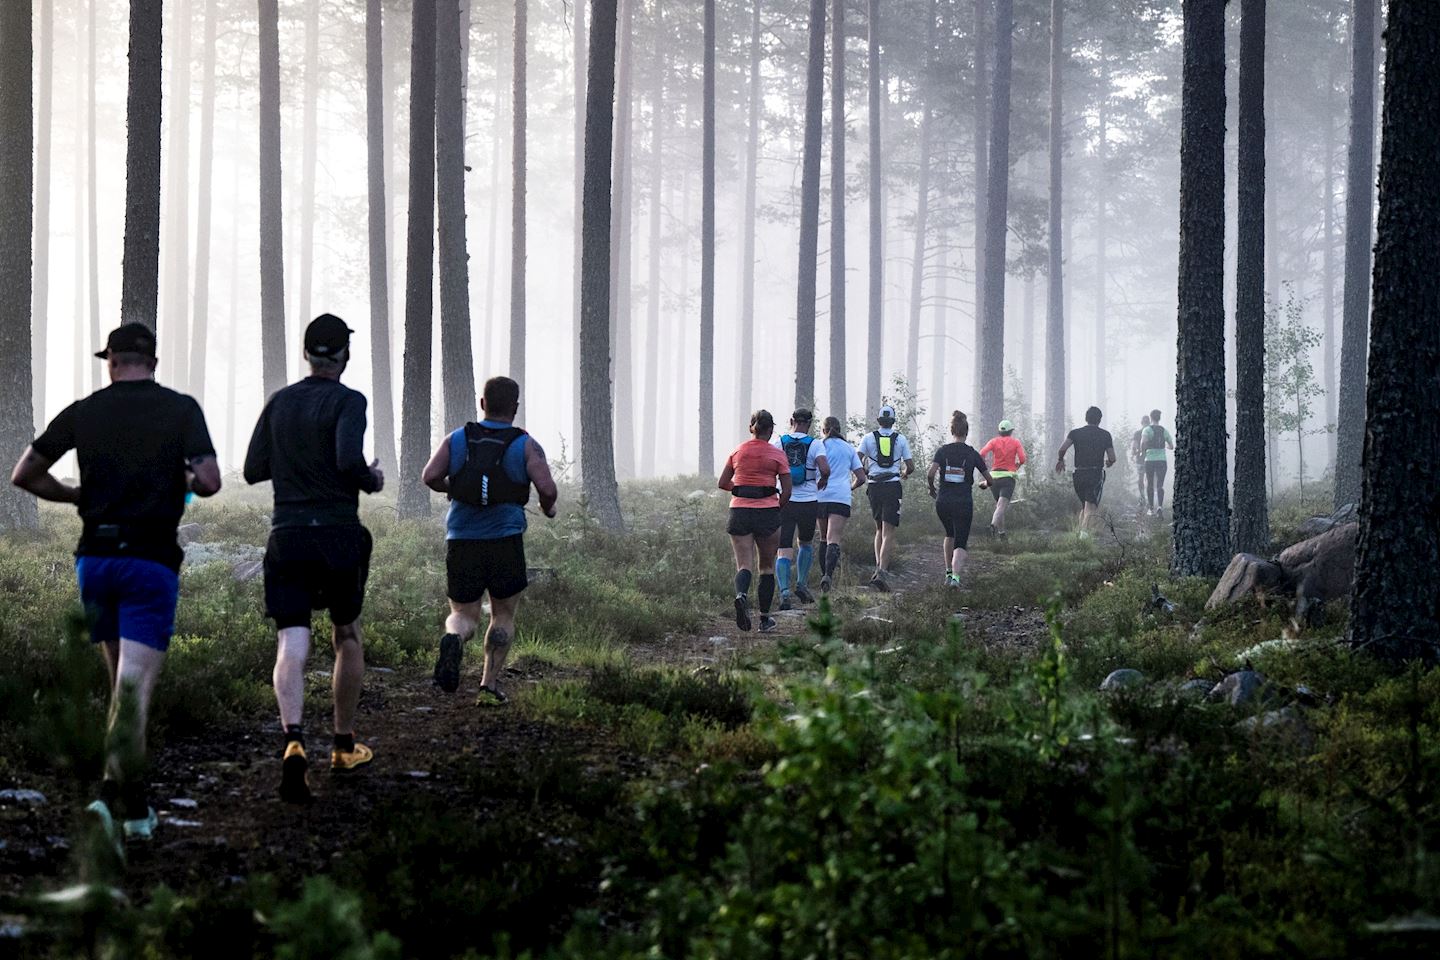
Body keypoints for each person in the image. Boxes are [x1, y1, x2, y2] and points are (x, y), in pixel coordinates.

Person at [10, 323, 221, 847]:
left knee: (122, 691)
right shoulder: (180, 409)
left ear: (112, 362)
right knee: (133, 692)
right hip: (149, 562)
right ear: (152, 362)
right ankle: (107, 796)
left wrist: (76, 496)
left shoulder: (85, 411)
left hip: (96, 561)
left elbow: (25, 474)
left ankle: (137, 810)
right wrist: (185, 481)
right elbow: (211, 481)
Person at [244, 314, 385, 804]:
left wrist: (293, 461)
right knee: (346, 634)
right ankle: (343, 745)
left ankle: (293, 740)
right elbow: (348, 459)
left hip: (288, 535)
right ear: (344, 356)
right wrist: (370, 478)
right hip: (338, 533)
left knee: (291, 642)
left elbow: (252, 469)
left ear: (307, 353)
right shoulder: (349, 400)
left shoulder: (280, 402)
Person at [422, 376, 559, 705]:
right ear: (515, 407)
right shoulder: (525, 444)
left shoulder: (457, 439)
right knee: (502, 615)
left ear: (482, 404)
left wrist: (452, 488)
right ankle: (489, 684)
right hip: (504, 541)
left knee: (464, 613)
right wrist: (547, 507)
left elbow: (429, 476)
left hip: (462, 540)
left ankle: (454, 638)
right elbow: (548, 488)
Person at [718, 410, 793, 633]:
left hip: (739, 511)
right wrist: (773, 504)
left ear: (751, 427)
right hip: (767, 512)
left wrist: (742, 489)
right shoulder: (777, 454)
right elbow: (787, 491)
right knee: (767, 567)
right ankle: (764, 619)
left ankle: (741, 595)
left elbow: (723, 483)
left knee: (744, 565)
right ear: (770, 430)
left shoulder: (737, 451)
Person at [927, 411, 994, 586]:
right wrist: (984, 485)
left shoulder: (942, 451)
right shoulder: (972, 454)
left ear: (952, 431)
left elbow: (931, 473)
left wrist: (932, 488)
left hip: (943, 502)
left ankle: (948, 572)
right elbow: (989, 479)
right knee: (961, 540)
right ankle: (956, 578)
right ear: (966, 432)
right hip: (963, 502)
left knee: (949, 534)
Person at [772, 409, 830, 610]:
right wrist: (822, 481)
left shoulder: (779, 442)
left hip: (785, 500)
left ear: (791, 421)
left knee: (783, 548)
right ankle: (802, 584)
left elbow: (770, 466)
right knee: (805, 543)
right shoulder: (816, 443)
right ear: (810, 424)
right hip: (808, 502)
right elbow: (825, 469)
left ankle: (784, 593)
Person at [857, 404, 914, 592]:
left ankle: (877, 569)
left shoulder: (868, 438)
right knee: (889, 530)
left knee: (879, 528)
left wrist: (865, 470)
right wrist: (904, 473)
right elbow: (910, 466)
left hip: (874, 486)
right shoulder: (901, 439)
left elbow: (856, 459)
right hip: (892, 485)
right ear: (893, 421)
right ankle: (882, 571)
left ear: (879, 421)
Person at [815, 417, 866, 594]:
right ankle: (828, 575)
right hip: (841, 497)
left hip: (820, 496)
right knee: (833, 538)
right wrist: (849, 487)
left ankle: (823, 575)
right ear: (839, 428)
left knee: (823, 538)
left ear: (823, 430)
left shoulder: (818, 446)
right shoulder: (849, 448)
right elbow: (861, 477)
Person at [1055, 406, 1117, 534]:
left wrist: (1061, 460)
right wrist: (1109, 463)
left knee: (1086, 505)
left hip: (1078, 474)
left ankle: (1078, 531)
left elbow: (1062, 449)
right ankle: (1083, 534)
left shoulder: (1075, 433)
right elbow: (1112, 457)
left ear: (1086, 418)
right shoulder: (1105, 435)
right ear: (1099, 419)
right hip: (1095, 474)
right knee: (1090, 505)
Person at [978, 419, 1027, 538]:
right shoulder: (1015, 442)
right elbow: (1022, 458)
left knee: (999, 506)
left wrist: (986, 465)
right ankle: (992, 527)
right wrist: (1017, 466)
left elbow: (981, 453)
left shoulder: (993, 441)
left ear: (999, 431)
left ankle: (1002, 534)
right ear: (1011, 431)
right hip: (1008, 478)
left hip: (993, 477)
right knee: (1001, 506)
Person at [1140, 409, 1174, 517]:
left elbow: (1143, 443)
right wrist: (1166, 447)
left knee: (1149, 484)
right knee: (1160, 484)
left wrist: (1142, 452)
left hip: (1149, 459)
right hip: (1161, 460)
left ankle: (1150, 509)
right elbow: (1171, 446)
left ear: (1151, 418)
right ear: (1159, 418)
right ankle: (1159, 507)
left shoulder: (1147, 430)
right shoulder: (1164, 430)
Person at [1131, 414, 1152, 503]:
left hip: (1140, 458)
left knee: (1141, 477)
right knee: (1149, 478)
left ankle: (1142, 497)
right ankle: (1147, 497)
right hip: (1150, 458)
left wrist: (1133, 453)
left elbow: (1134, 445)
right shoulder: (1151, 432)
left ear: (1141, 422)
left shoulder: (1138, 433)